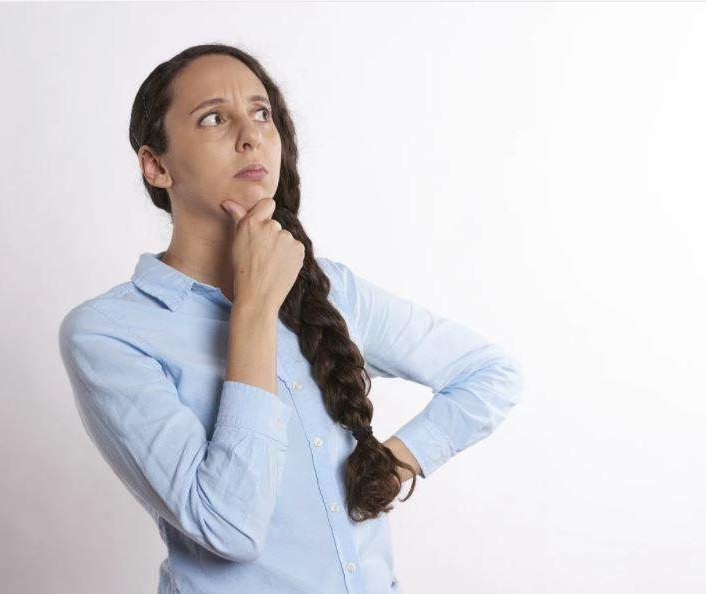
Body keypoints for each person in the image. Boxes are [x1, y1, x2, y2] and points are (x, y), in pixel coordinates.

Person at [58, 43, 524, 594]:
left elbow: (490, 374)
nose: (250, 135)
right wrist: (254, 307)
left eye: (261, 113)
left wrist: (390, 465)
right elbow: (228, 527)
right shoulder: (109, 334)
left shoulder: (333, 290)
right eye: (213, 118)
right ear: (156, 166)